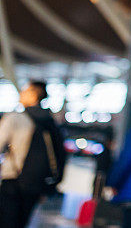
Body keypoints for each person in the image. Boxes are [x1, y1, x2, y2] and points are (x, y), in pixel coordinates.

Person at [0, 81, 66, 228]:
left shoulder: (15, 118)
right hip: (37, 183)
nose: (21, 93)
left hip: (13, 180)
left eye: (25, 90)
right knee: (22, 222)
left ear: (34, 94)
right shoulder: (50, 122)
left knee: (6, 222)